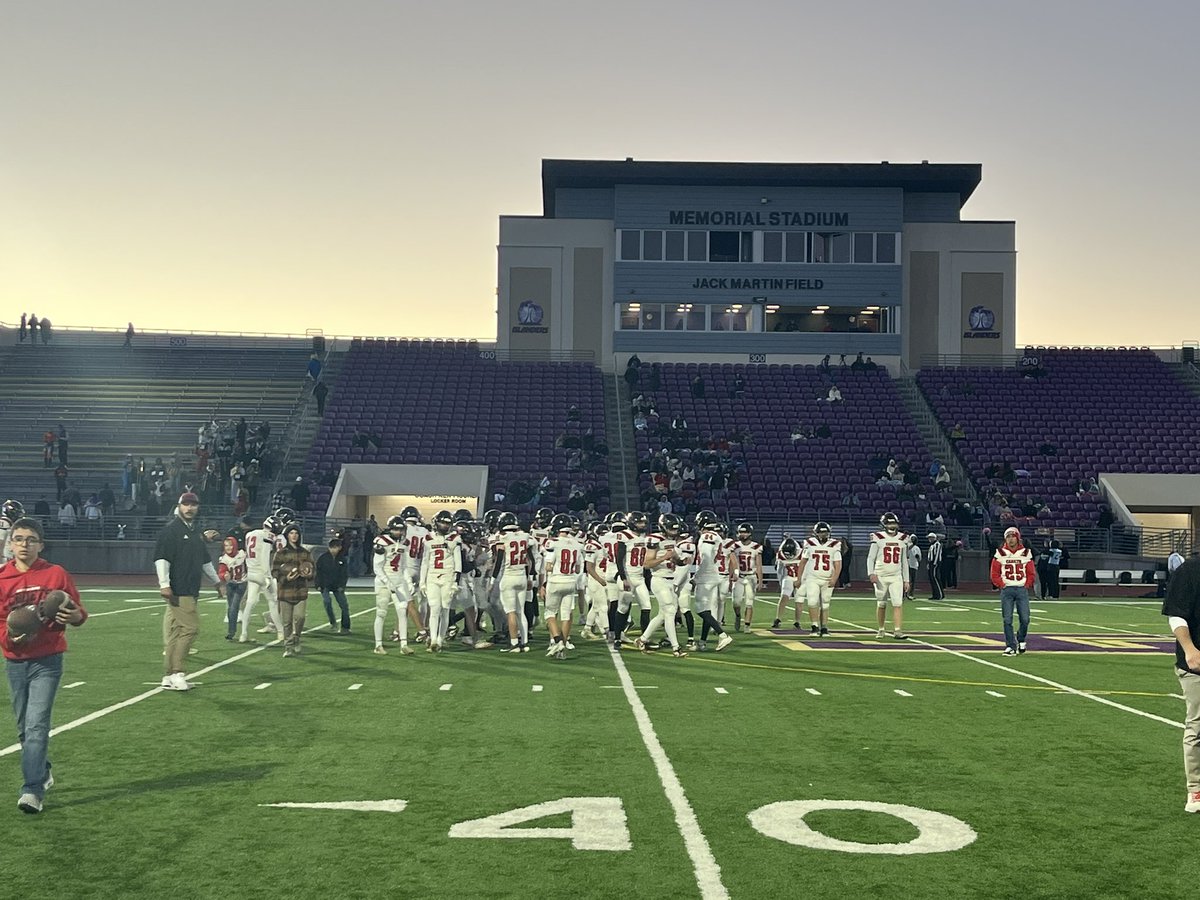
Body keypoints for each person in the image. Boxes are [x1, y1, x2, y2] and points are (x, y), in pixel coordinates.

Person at [0, 517, 87, 814]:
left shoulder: (55, 574)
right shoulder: (3, 579)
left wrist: (73, 616)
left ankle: (32, 790)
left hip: (47, 660)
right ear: (10, 544)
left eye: (31, 539)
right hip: (15, 661)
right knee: (24, 728)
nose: (24, 544)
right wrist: (12, 637)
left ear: (41, 545)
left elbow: (79, 613)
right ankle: (42, 770)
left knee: (36, 724)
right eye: (19, 539)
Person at [153, 492, 224, 691]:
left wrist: (217, 582)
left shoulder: (195, 532)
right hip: (179, 588)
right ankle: (178, 672)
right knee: (190, 629)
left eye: (193, 505)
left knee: (176, 632)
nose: (189, 508)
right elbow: (162, 558)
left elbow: (204, 560)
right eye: (186, 504)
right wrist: (164, 584)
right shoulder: (171, 531)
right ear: (179, 506)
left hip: (189, 588)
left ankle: (168, 676)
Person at [1162, 554, 1200, 812]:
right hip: (1196, 664)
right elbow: (1176, 615)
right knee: (1197, 726)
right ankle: (1196, 790)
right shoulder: (1190, 570)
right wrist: (1190, 649)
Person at [271, 524, 314, 657]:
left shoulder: (305, 552)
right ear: (287, 535)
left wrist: (309, 575)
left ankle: (297, 637)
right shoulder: (281, 553)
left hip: (300, 590)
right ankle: (288, 647)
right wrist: (286, 578)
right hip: (285, 591)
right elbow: (274, 572)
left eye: (296, 533)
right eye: (291, 533)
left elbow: (313, 570)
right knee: (287, 621)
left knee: (300, 617)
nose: (294, 535)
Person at [991, 526, 1035, 656]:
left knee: (1025, 619)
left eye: (1013, 536)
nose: (1011, 539)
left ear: (1018, 538)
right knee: (1007, 619)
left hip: (1021, 589)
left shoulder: (1025, 553)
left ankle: (1021, 638)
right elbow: (994, 573)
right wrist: (1002, 585)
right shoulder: (1000, 553)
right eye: (1008, 537)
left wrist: (1027, 585)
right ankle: (1010, 645)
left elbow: (1031, 572)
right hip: (1007, 589)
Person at [316, 538, 351, 633]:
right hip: (325, 584)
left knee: (344, 606)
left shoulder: (342, 559)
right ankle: (333, 623)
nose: (334, 550)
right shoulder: (323, 558)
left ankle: (345, 627)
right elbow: (318, 572)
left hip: (337, 586)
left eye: (336, 547)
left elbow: (344, 574)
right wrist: (318, 584)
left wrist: (342, 586)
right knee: (327, 602)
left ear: (340, 548)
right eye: (332, 548)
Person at [217, 537, 247, 641]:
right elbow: (221, 572)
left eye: (230, 545)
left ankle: (231, 632)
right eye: (226, 545)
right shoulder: (224, 559)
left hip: (241, 583)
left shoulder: (242, 554)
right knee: (230, 609)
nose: (228, 548)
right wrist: (224, 576)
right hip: (230, 585)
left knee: (234, 608)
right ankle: (231, 631)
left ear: (234, 545)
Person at [925, 533, 944, 601]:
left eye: (930, 538)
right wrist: (928, 563)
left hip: (935, 563)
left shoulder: (937, 544)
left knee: (935, 578)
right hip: (931, 563)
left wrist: (935, 563)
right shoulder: (932, 545)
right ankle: (935, 594)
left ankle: (939, 595)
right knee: (932, 579)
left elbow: (937, 554)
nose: (929, 539)